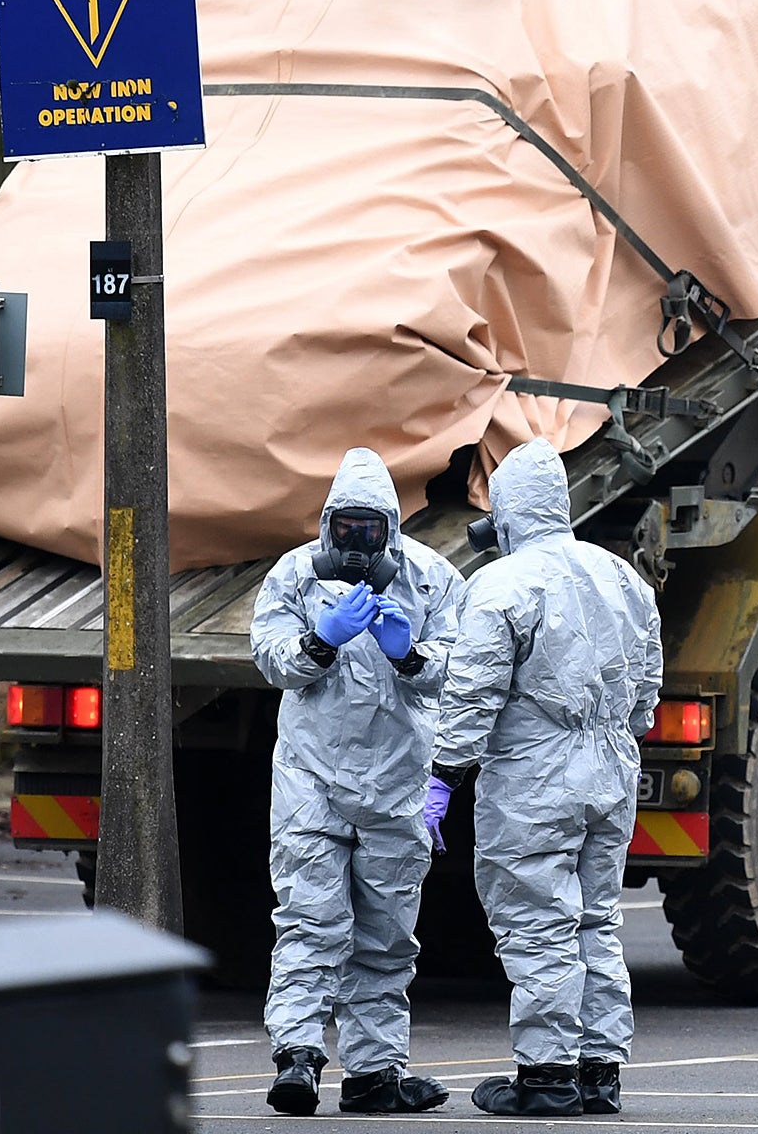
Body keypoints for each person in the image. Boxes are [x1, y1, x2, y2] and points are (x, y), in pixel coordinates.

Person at [427, 437, 663, 1118]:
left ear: (505, 509)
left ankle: (547, 1075)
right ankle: (599, 1072)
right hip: (611, 766)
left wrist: (445, 775)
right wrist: (615, 730)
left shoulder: (501, 583)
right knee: (595, 920)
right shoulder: (623, 578)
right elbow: (647, 694)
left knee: (538, 923)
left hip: (535, 773)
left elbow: (473, 695)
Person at [250, 447, 463, 1116]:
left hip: (396, 785)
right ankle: (298, 1056)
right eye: (346, 531)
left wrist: (412, 655)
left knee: (386, 934)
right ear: (327, 526)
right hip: (311, 781)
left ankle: (374, 1074)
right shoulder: (293, 577)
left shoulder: (431, 581)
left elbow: (461, 669)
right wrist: (321, 640)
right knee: (311, 920)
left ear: (391, 530)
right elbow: (270, 657)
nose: (356, 545)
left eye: (370, 533)